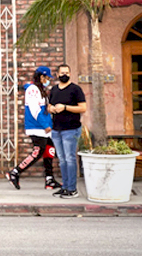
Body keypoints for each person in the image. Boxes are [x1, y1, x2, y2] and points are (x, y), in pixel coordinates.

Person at [6, 66, 62, 191]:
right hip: (37, 127)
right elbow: (34, 110)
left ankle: (49, 179)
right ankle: (15, 172)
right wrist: (45, 125)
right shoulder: (32, 89)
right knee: (37, 152)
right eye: (47, 78)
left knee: (49, 151)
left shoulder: (40, 89)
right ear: (41, 77)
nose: (48, 80)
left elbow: (43, 108)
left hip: (45, 127)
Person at [48, 63, 87, 199]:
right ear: (57, 74)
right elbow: (49, 105)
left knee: (70, 159)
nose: (65, 75)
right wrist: (51, 109)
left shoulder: (76, 89)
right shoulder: (54, 90)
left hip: (71, 129)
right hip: (56, 129)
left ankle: (72, 188)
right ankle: (65, 187)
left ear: (70, 74)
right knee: (62, 160)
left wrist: (65, 107)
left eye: (67, 72)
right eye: (62, 73)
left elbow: (83, 108)